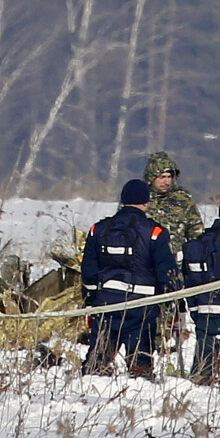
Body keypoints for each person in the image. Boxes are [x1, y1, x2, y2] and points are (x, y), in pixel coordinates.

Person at [81, 179, 177, 379]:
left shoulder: (98, 230)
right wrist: (172, 302)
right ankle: (137, 396)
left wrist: (91, 299)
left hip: (106, 305)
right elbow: (166, 273)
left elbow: (89, 270)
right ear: (146, 202)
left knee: (96, 364)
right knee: (140, 366)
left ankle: (89, 395)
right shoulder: (155, 232)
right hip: (142, 307)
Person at [182, 207, 220, 385]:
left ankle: (202, 377)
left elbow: (189, 283)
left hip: (205, 309)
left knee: (203, 360)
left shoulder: (196, 246)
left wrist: (195, 310)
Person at [142, 151, 203, 263]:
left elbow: (196, 231)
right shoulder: (138, 196)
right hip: (144, 263)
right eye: (162, 177)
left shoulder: (182, 198)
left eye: (169, 177)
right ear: (151, 177)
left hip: (176, 262)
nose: (167, 181)